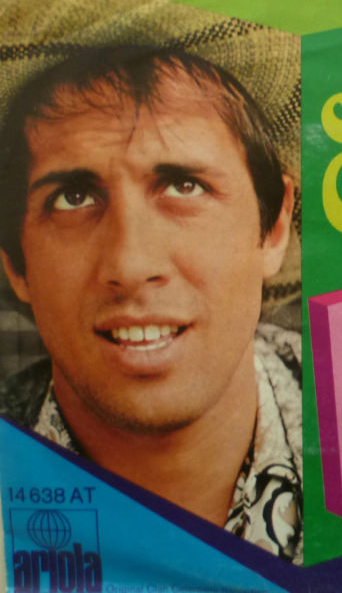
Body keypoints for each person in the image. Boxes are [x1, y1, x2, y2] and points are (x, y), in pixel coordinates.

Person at [0, 45, 303, 563]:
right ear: (16, 264)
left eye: (185, 186)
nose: (131, 263)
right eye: (74, 197)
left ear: (273, 228)